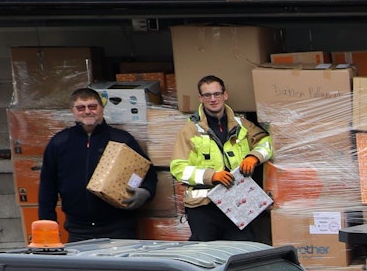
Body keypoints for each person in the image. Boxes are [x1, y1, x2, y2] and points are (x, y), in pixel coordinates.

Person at [37, 87, 157, 241]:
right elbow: (47, 187)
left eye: (92, 106)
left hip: (119, 228)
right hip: (78, 230)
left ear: (101, 108)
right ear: (72, 111)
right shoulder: (60, 142)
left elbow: (149, 174)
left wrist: (145, 192)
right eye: (81, 108)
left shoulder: (121, 139)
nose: (87, 111)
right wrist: (47, 229)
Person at [169, 75, 274, 243]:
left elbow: (267, 141)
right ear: (200, 99)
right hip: (203, 207)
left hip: (237, 202)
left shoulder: (242, 125)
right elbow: (178, 168)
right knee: (207, 256)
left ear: (225, 95)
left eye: (217, 94)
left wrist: (254, 157)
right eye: (207, 95)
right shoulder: (189, 130)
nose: (213, 99)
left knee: (241, 251)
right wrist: (211, 176)